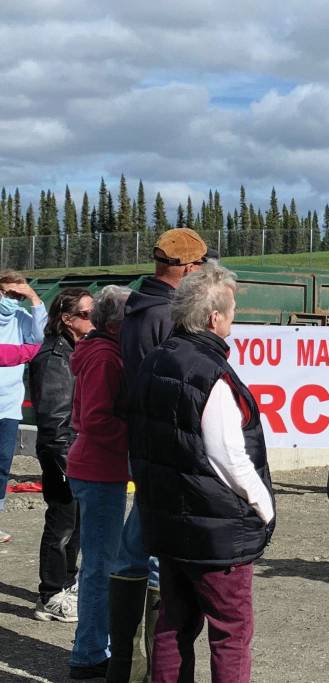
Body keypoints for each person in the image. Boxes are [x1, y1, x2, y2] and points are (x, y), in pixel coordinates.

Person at [127, 263, 274, 683]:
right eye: (233, 310)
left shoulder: (155, 360)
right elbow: (228, 456)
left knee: (174, 622)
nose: (234, 318)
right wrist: (263, 505)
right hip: (215, 529)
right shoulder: (211, 374)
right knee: (231, 630)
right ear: (215, 317)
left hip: (169, 518)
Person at [110, 227, 208, 683]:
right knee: (152, 550)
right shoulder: (167, 315)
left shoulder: (137, 308)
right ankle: (151, 670)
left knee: (136, 544)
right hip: (165, 443)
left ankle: (125, 666)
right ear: (187, 268)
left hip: (142, 439)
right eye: (201, 266)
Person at [66, 285, 133, 680]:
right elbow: (97, 419)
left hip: (96, 469)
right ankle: (90, 653)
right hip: (99, 470)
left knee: (100, 562)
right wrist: (138, 432)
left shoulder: (99, 353)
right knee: (100, 566)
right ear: (117, 322)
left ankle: (92, 649)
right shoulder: (106, 358)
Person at [29, 287, 94, 622]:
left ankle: (65, 584)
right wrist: (69, 464)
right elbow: (54, 420)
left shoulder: (73, 350)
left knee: (76, 524)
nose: (92, 318)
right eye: (85, 314)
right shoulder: (54, 356)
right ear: (67, 319)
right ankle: (50, 593)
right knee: (62, 525)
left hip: (74, 452)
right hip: (62, 454)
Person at [0, 271, 47, 543]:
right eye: (9, 294)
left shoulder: (21, 317)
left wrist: (33, 298)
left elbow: (41, 336)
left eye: (18, 296)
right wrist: (25, 353)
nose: (13, 300)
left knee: (3, 465)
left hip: (8, 406)